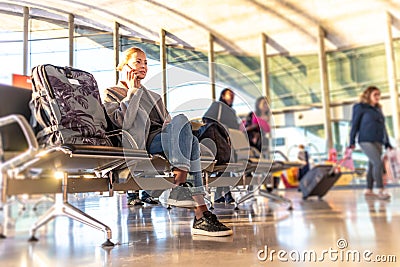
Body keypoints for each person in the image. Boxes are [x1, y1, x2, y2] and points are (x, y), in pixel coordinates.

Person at [102, 47, 232, 236]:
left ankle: (200, 212)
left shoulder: (153, 96)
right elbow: (124, 122)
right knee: (186, 133)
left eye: (146, 62)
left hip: (162, 138)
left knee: (186, 131)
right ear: (125, 65)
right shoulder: (111, 92)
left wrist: (173, 127)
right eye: (138, 61)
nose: (143, 66)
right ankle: (185, 189)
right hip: (139, 141)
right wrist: (132, 92)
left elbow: (167, 122)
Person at [349, 86, 392, 200]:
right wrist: (351, 141)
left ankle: (368, 189)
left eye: (379, 95)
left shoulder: (378, 109)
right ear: (368, 95)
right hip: (365, 140)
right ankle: (381, 190)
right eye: (375, 95)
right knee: (378, 163)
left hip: (378, 140)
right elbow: (355, 124)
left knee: (372, 164)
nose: (378, 97)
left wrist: (387, 142)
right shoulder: (360, 107)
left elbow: (383, 127)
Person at [202, 88, 240, 204]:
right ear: (223, 96)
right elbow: (206, 119)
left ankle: (221, 194)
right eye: (229, 95)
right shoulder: (217, 105)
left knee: (226, 166)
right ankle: (225, 194)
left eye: (233, 95)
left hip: (228, 141)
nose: (232, 97)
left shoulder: (232, 111)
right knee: (225, 164)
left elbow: (236, 127)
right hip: (219, 140)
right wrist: (222, 127)